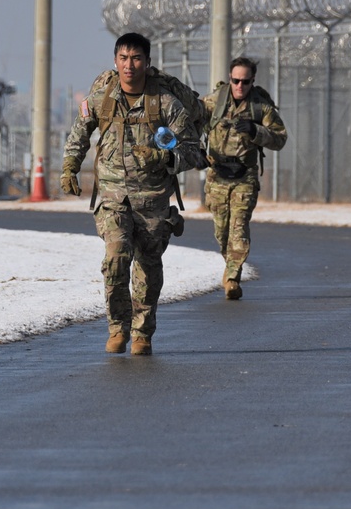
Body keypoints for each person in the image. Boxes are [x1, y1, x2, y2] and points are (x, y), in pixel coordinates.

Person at [60, 32, 205, 356]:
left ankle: (142, 332)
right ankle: (117, 327)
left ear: (147, 62)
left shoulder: (166, 104)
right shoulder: (102, 98)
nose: (129, 65)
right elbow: (79, 132)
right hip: (113, 200)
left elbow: (195, 151)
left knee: (148, 269)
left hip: (153, 201)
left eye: (136, 58)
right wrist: (70, 166)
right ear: (115, 61)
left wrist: (166, 158)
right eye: (124, 58)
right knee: (116, 258)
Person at [200, 57, 287, 300]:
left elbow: (280, 139)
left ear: (252, 81)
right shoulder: (214, 101)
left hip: (244, 176)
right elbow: (193, 122)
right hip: (217, 175)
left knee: (238, 228)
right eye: (236, 80)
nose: (240, 86)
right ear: (230, 78)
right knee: (222, 232)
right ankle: (230, 266)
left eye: (245, 81)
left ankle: (232, 278)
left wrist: (255, 131)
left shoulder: (261, 107)